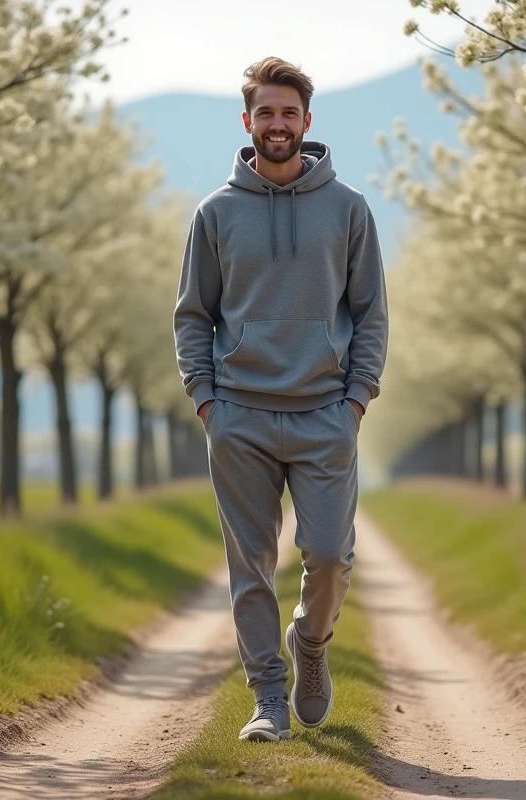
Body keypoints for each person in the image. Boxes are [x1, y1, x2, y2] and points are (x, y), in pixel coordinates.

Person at [172, 56, 389, 742]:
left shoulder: (348, 208)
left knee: (329, 556)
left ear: (306, 122)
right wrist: (208, 402)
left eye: (288, 112)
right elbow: (192, 315)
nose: (276, 124)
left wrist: (355, 400)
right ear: (247, 122)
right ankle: (268, 699)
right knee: (252, 570)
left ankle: (312, 646)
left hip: (326, 414)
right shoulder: (216, 213)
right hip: (239, 416)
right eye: (265, 112)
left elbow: (372, 313)